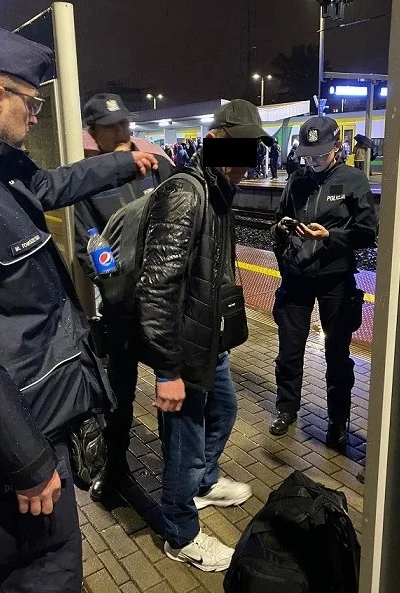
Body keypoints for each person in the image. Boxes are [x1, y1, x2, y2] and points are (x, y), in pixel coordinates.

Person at [0, 11, 157, 593]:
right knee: (44, 569)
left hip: (29, 409)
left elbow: (48, 187)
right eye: (31, 103)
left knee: (27, 556)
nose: (35, 115)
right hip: (19, 427)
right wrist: (27, 460)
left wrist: (123, 161)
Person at [133, 99, 273, 571]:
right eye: (240, 149)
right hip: (184, 349)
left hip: (208, 341)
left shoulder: (218, 191)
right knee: (185, 440)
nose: (248, 161)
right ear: (214, 142)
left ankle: (202, 483)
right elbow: (156, 287)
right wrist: (167, 370)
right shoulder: (187, 193)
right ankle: (180, 533)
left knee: (225, 409)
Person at [74, 93, 174, 500]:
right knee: (119, 391)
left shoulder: (158, 167)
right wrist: (115, 288)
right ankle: (116, 466)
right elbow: (88, 245)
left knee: (172, 384)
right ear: (93, 133)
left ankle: (178, 472)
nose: (120, 132)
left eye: (124, 124)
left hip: (165, 302)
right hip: (121, 305)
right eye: (109, 126)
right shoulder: (88, 180)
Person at [269, 116, 377, 452]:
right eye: (308, 155)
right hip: (297, 277)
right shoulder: (297, 180)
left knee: (337, 356)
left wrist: (330, 236)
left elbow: (367, 233)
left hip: (335, 280)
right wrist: (281, 230)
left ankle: (337, 421)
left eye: (320, 154)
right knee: (289, 350)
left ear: (337, 147)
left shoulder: (352, 180)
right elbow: (278, 219)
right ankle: (286, 408)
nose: (314, 161)